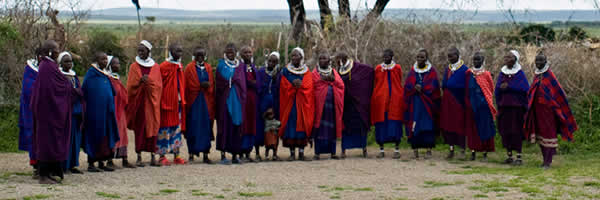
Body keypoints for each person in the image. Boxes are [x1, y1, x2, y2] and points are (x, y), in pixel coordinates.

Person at [31, 41, 81, 184]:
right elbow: (54, 88)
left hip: (51, 113)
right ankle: (43, 176)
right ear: (51, 52)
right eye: (57, 50)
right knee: (46, 143)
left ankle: (49, 173)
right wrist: (70, 89)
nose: (58, 52)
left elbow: (60, 85)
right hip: (47, 113)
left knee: (52, 142)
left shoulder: (50, 65)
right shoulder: (46, 67)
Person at [524, 52, 577, 169]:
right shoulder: (537, 75)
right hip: (537, 112)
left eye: (541, 61)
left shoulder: (549, 76)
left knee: (549, 135)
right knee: (541, 136)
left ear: (545, 62)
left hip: (549, 113)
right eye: (536, 61)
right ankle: (544, 159)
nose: (538, 63)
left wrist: (552, 104)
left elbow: (558, 93)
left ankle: (548, 161)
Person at [82, 52, 120, 172]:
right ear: (96, 60)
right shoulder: (91, 75)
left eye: (105, 59)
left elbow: (111, 91)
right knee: (95, 135)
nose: (104, 61)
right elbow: (86, 92)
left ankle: (102, 162)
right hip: (94, 113)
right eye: (102, 59)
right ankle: (91, 163)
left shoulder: (105, 75)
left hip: (107, 112)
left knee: (106, 136)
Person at [127, 40, 162, 167]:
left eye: (143, 50)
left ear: (149, 51)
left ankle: (153, 156)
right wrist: (140, 82)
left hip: (152, 104)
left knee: (153, 129)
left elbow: (158, 86)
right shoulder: (134, 67)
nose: (140, 53)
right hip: (139, 104)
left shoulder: (156, 67)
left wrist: (149, 82)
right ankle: (139, 157)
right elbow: (130, 86)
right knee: (139, 129)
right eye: (139, 50)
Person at [404, 49, 441, 159]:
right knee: (414, 126)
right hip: (415, 103)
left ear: (426, 58)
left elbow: (434, 86)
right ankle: (415, 150)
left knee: (427, 125)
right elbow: (407, 85)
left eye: (422, 57)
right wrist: (414, 87)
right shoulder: (413, 71)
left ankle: (429, 149)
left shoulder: (432, 71)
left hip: (427, 104)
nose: (420, 59)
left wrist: (423, 88)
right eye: (418, 57)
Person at [279, 47, 314, 161]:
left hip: (302, 104)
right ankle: (292, 153)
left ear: (301, 57)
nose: (294, 57)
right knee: (291, 127)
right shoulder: (286, 70)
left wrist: (301, 86)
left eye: (296, 55)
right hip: (290, 104)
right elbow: (283, 85)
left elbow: (309, 86)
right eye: (292, 55)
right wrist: (292, 85)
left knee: (302, 126)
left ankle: (301, 153)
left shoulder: (307, 71)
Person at [336, 51, 373, 159]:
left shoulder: (356, 67)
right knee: (346, 128)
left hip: (357, 103)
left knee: (360, 126)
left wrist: (359, 89)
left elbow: (370, 71)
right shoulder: (339, 70)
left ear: (343, 59)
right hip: (346, 104)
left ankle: (364, 149)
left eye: (338, 60)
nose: (337, 63)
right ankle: (344, 150)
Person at [495, 50, 529, 165]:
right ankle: (509, 155)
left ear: (515, 59)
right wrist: (499, 98)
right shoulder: (502, 73)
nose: (507, 59)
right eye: (506, 57)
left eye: (510, 57)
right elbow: (497, 88)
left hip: (516, 108)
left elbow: (524, 89)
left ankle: (519, 156)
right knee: (506, 131)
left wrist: (510, 87)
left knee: (517, 132)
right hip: (504, 107)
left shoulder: (520, 74)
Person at [216, 43, 247, 164]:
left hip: (238, 101)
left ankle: (235, 155)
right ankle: (223, 155)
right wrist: (229, 81)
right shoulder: (221, 65)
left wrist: (235, 81)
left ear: (236, 52)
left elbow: (243, 83)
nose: (230, 54)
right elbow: (219, 84)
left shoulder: (240, 66)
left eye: (232, 51)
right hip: (225, 100)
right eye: (228, 52)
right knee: (224, 126)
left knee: (237, 126)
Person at [184, 46, 215, 164]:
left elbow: (211, 82)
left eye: (202, 55)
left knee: (206, 127)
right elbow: (187, 85)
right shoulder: (189, 68)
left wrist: (208, 86)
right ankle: (191, 153)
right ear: (194, 56)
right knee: (193, 127)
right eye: (198, 55)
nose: (200, 58)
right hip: (194, 102)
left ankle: (206, 155)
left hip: (206, 101)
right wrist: (199, 86)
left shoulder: (208, 67)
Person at [371, 49, 404, 159]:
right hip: (381, 101)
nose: (385, 58)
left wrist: (398, 95)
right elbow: (376, 83)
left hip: (395, 100)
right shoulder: (378, 69)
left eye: (388, 56)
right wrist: (378, 96)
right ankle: (381, 149)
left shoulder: (397, 68)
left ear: (392, 56)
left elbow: (399, 81)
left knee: (395, 124)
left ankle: (396, 149)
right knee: (381, 125)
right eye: (384, 56)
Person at [157, 43, 187, 166]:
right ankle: (162, 156)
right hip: (166, 103)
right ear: (170, 52)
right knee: (164, 130)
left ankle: (177, 155)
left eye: (180, 51)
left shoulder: (179, 65)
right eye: (176, 51)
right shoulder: (163, 66)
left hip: (178, 103)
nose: (179, 54)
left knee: (176, 130)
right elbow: (159, 85)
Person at [312, 52, 344, 160]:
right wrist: (324, 81)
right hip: (319, 107)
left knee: (332, 129)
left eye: (324, 58)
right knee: (319, 129)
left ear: (329, 61)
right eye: (320, 58)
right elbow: (313, 86)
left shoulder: (334, 72)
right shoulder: (315, 73)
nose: (322, 60)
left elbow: (341, 86)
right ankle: (317, 153)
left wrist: (333, 80)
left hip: (332, 107)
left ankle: (333, 152)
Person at [465, 52, 496, 161]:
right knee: (473, 129)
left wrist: (486, 101)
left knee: (484, 129)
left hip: (484, 106)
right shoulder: (468, 73)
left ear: (483, 61)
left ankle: (484, 153)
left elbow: (490, 89)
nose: (476, 62)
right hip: (471, 105)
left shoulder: (486, 74)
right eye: (474, 59)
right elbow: (466, 89)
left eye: (478, 60)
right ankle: (473, 152)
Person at [106, 56, 136, 169]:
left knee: (123, 134)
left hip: (121, 111)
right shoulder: (108, 79)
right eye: (115, 64)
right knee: (113, 133)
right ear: (109, 65)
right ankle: (109, 159)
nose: (117, 65)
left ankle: (124, 158)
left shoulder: (117, 78)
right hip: (114, 111)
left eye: (118, 63)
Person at [57, 52, 84, 174]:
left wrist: (77, 92)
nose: (69, 63)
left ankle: (73, 164)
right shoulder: (59, 75)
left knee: (75, 139)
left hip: (76, 112)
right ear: (60, 63)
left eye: (70, 61)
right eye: (66, 61)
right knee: (65, 140)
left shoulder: (74, 76)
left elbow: (79, 90)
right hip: (65, 112)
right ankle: (64, 165)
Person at [440, 47, 469, 159]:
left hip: (459, 102)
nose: (450, 58)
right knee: (448, 125)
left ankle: (462, 149)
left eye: (452, 56)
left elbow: (466, 87)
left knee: (459, 125)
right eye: (448, 56)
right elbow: (444, 84)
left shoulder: (464, 70)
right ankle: (451, 149)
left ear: (457, 55)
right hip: (448, 102)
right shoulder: (448, 69)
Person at [19, 47, 43, 178]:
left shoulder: (46, 69)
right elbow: (29, 88)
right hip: (31, 110)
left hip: (43, 111)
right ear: (39, 56)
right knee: (34, 137)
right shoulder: (30, 70)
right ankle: (36, 166)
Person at [256, 52, 281, 161]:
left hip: (275, 104)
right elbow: (258, 87)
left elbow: (280, 89)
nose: (271, 63)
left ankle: (274, 153)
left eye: (274, 61)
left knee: (274, 129)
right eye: (270, 60)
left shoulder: (280, 73)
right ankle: (257, 153)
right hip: (262, 103)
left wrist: (276, 79)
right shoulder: (261, 71)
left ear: (277, 63)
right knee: (260, 128)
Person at [240, 46, 258, 162]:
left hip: (253, 99)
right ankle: (241, 152)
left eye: (250, 52)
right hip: (243, 99)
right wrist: (249, 82)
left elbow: (258, 80)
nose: (248, 54)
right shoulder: (239, 67)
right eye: (245, 52)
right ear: (241, 55)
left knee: (251, 124)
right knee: (244, 125)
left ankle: (248, 152)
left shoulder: (253, 66)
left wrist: (256, 83)